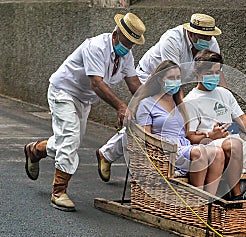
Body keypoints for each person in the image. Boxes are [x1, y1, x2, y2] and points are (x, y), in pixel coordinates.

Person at [23, 13, 146, 211]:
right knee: (70, 138)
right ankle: (59, 192)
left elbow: (134, 84)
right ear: (116, 34)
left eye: (132, 44)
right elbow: (96, 83)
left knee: (69, 141)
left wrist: (151, 101)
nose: (128, 47)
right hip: (63, 91)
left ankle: (36, 150)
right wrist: (122, 107)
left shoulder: (126, 55)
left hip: (83, 99)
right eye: (127, 42)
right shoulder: (96, 46)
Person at [97, 13, 224, 182]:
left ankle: (107, 153)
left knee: (173, 121)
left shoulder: (210, 42)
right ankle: (108, 153)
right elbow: (170, 75)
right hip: (154, 76)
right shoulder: (172, 39)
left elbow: (217, 73)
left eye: (209, 37)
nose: (207, 41)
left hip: (176, 80)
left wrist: (223, 99)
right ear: (191, 33)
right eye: (202, 37)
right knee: (143, 120)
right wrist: (132, 107)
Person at [183, 50, 246, 200]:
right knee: (233, 144)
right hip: (214, 149)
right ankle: (236, 196)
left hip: (237, 144)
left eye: (217, 72)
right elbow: (190, 136)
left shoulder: (224, 94)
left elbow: (242, 119)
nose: (214, 76)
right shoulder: (190, 101)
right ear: (197, 72)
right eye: (209, 72)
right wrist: (211, 135)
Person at [133, 60, 224, 194]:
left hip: (184, 147)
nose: (175, 81)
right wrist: (170, 147)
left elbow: (187, 134)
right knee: (200, 153)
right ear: (159, 79)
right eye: (171, 78)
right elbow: (145, 138)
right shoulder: (146, 104)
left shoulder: (179, 104)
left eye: (178, 78)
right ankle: (197, 198)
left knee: (218, 153)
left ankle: (210, 200)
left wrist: (209, 135)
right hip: (165, 150)